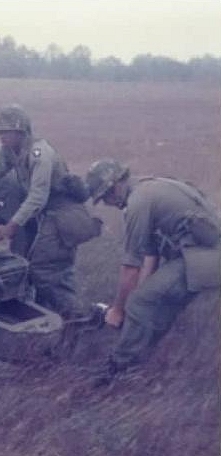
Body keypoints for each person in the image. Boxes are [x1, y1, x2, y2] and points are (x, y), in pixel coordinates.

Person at [85, 159, 220, 386]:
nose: (108, 203)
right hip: (200, 256)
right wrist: (140, 293)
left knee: (139, 303)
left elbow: (131, 267)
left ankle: (118, 369)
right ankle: (142, 357)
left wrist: (118, 310)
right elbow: (151, 255)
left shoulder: (138, 202)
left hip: (204, 259)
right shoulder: (150, 187)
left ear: (116, 185)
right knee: (148, 300)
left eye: (106, 196)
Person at [0, 104, 100, 317]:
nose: (1, 136)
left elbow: (37, 197)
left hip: (62, 216)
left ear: (20, 130)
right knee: (34, 270)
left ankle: (80, 319)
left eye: (5, 131)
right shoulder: (6, 151)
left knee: (47, 271)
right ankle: (54, 318)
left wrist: (11, 227)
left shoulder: (40, 154)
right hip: (45, 217)